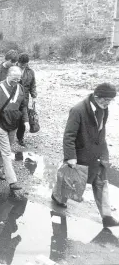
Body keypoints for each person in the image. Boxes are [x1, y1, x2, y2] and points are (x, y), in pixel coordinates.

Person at [52, 83, 119, 227]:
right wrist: (71, 156)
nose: (107, 103)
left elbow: (101, 131)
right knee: (69, 182)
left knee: (101, 183)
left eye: (110, 100)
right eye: (105, 100)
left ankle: (106, 216)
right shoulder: (78, 110)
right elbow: (69, 135)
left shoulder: (103, 109)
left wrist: (104, 153)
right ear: (96, 96)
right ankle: (57, 197)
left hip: (97, 154)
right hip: (80, 154)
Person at [0, 66, 29, 190]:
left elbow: (23, 106)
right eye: (14, 79)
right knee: (7, 152)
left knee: (3, 149)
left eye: (18, 79)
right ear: (8, 76)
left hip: (14, 125)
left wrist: (26, 121)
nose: (16, 82)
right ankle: (12, 181)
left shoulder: (21, 88)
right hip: (0, 124)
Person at [16, 53, 37, 147]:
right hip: (12, 97)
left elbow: (33, 85)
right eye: (22, 64)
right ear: (18, 62)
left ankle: (20, 138)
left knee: (23, 118)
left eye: (25, 64)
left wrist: (34, 96)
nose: (23, 66)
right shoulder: (12, 69)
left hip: (25, 99)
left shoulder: (30, 72)